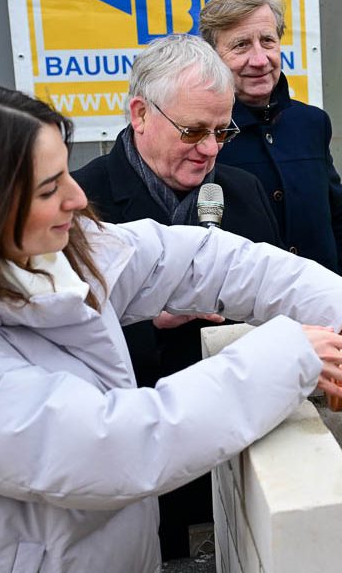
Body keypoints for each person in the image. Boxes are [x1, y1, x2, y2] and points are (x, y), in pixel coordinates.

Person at [0, 81, 342, 572]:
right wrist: (287, 355)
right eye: (50, 188)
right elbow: (117, 447)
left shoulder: (47, 251)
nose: (78, 199)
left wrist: (324, 302)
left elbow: (196, 256)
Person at [72, 34, 282, 559]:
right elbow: (65, 343)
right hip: (134, 469)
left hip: (235, 453)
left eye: (221, 131)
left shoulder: (243, 191)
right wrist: (151, 320)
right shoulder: (79, 207)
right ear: (140, 114)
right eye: (192, 130)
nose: (209, 149)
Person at [199, 0, 342, 278]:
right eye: (241, 45)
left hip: (323, 311)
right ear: (213, 56)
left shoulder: (311, 123)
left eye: (268, 41)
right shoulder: (203, 135)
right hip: (241, 319)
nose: (260, 60)